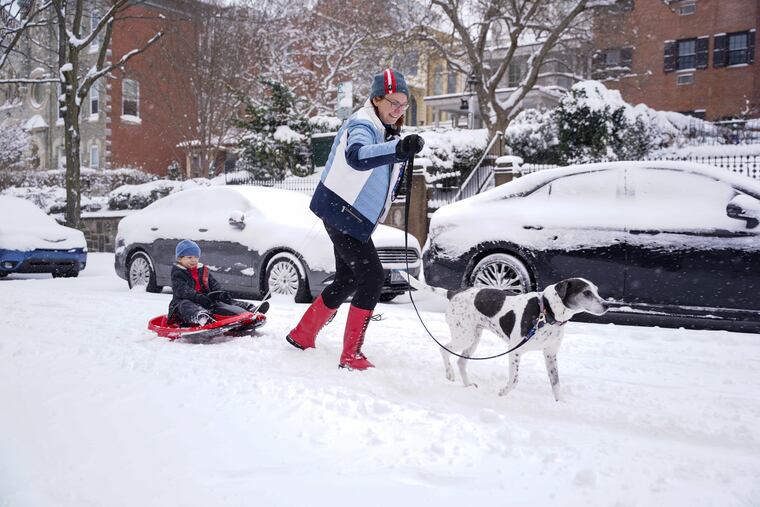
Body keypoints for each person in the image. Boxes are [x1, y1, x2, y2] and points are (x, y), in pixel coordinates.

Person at [286, 68, 424, 370]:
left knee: (349, 278)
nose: (398, 110)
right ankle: (351, 355)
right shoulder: (363, 124)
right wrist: (397, 150)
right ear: (376, 99)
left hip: (350, 214)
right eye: (393, 103)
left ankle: (302, 334)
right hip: (343, 212)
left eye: (404, 104)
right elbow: (357, 156)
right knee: (372, 277)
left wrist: (397, 147)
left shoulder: (386, 129)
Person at [168, 239, 266, 326]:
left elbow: (213, 283)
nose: (194, 260)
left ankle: (249, 309)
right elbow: (182, 290)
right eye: (189, 257)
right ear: (180, 258)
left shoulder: (202, 270)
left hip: (205, 299)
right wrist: (198, 297)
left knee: (225, 301)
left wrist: (219, 293)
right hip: (184, 302)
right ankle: (201, 317)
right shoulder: (178, 272)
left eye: (196, 257)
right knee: (185, 305)